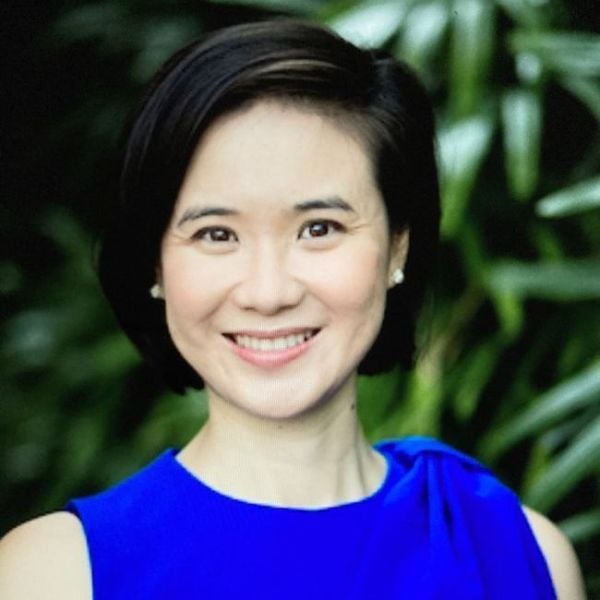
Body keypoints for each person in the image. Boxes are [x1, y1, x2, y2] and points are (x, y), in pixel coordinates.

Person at [0, 19, 585, 599]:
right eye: (215, 234)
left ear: (396, 248)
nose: (269, 291)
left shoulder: (524, 553)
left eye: (319, 227)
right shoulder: (53, 574)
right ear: (155, 264)